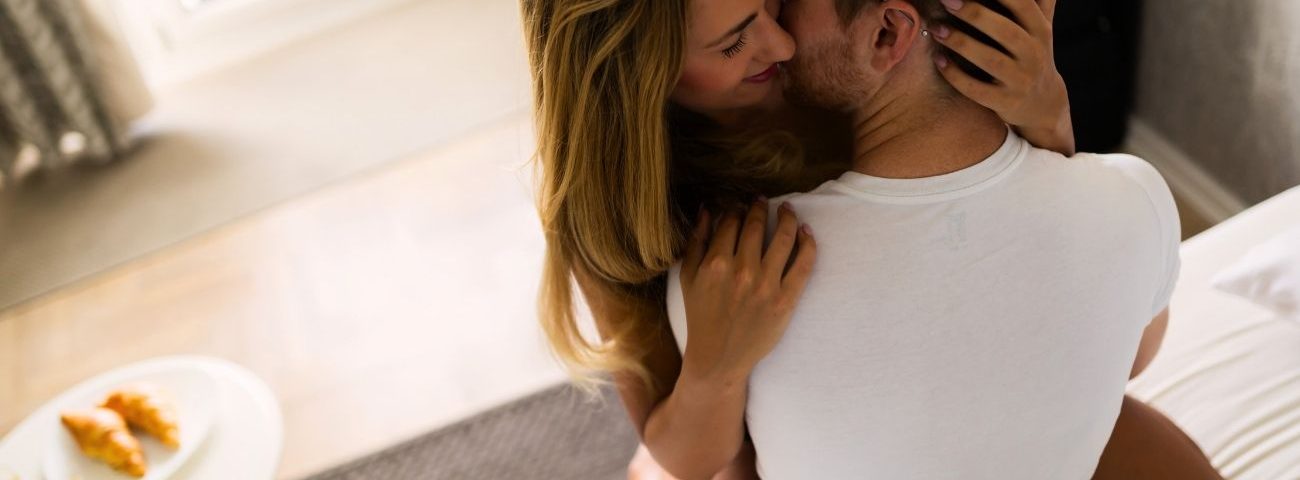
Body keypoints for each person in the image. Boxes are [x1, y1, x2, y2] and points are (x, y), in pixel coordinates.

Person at [520, 0, 1216, 478]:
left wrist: (1050, 125)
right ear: (639, 82)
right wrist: (714, 371)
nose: (781, 43)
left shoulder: (844, 67)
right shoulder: (617, 215)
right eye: (733, 40)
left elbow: (1074, 286)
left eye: (773, 0)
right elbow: (700, 459)